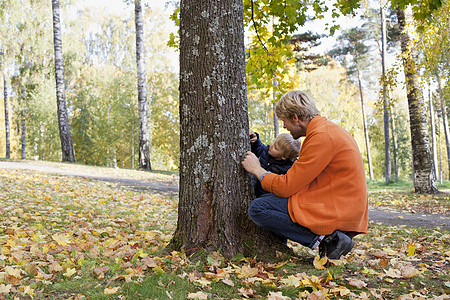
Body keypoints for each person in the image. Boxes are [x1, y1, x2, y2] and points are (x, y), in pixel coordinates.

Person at [241, 90, 368, 259]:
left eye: (284, 121)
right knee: (270, 200)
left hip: (336, 207)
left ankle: (329, 240)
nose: (284, 126)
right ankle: (329, 240)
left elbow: (287, 186)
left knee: (259, 208)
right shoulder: (325, 130)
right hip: (336, 202)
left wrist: (258, 170)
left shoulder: (322, 136)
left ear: (295, 117)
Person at [250, 132, 300, 197]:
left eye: (275, 148)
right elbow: (259, 147)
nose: (271, 145)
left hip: (264, 195)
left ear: (284, 157)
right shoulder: (266, 151)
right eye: (274, 142)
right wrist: (256, 140)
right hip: (253, 187)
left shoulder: (286, 169)